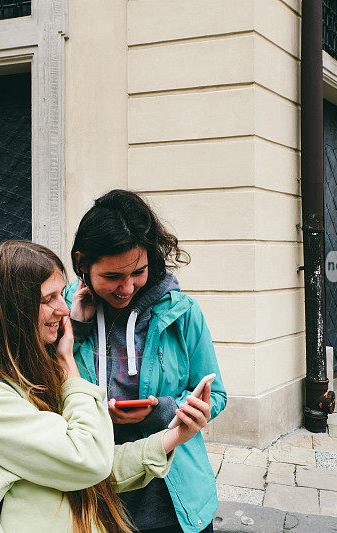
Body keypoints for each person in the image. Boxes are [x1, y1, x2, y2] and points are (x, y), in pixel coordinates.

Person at [0, 240, 212, 533]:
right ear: (12, 309)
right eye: (49, 299)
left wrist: (174, 436)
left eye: (62, 294)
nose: (64, 309)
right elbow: (89, 459)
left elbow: (95, 465)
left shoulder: (25, 370)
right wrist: (70, 366)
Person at [66, 190, 227, 533]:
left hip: (173, 495)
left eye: (138, 272)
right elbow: (42, 389)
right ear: (82, 262)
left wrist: (165, 410)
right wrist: (76, 330)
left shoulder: (182, 313)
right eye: (112, 277)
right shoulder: (60, 312)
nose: (126, 288)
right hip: (94, 493)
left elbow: (217, 395)